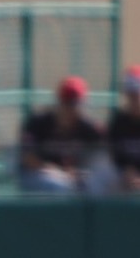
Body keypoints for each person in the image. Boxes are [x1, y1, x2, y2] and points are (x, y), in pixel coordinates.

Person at [18, 75, 105, 193]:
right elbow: (27, 158)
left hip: (72, 178)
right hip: (38, 174)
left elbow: (104, 154)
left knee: (96, 184)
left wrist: (80, 171)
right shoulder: (38, 123)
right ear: (60, 102)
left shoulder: (88, 127)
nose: (73, 109)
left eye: (77, 104)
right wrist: (57, 172)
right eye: (69, 104)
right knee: (59, 185)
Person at [107, 65, 140, 193]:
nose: (135, 99)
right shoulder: (119, 121)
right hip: (125, 176)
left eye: (137, 94)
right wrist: (127, 170)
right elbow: (114, 154)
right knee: (102, 176)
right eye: (131, 94)